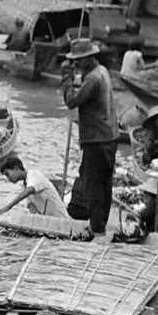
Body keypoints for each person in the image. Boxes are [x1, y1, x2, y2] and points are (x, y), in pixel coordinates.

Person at [62, 38, 120, 237]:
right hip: (109, 136)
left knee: (93, 183)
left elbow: (72, 101)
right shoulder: (101, 71)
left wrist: (66, 80)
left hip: (97, 140)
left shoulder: (93, 79)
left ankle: (96, 227)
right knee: (104, 182)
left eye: (78, 61)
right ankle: (100, 223)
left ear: (89, 58)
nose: (75, 65)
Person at [0, 156, 69, 218]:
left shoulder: (34, 175)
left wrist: (8, 207)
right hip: (49, 222)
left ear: (16, 168)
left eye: (7, 174)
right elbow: (32, 208)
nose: (8, 178)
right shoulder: (25, 185)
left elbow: (29, 190)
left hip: (61, 220)